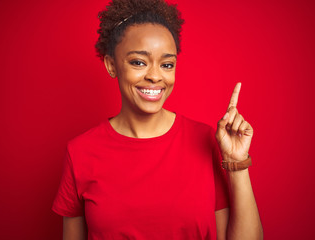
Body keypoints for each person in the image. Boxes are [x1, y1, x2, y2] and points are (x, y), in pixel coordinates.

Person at [52, 0, 263, 239]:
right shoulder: (80, 152)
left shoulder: (204, 140)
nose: (154, 76)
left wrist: (237, 163)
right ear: (111, 65)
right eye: (138, 62)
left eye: (167, 64)